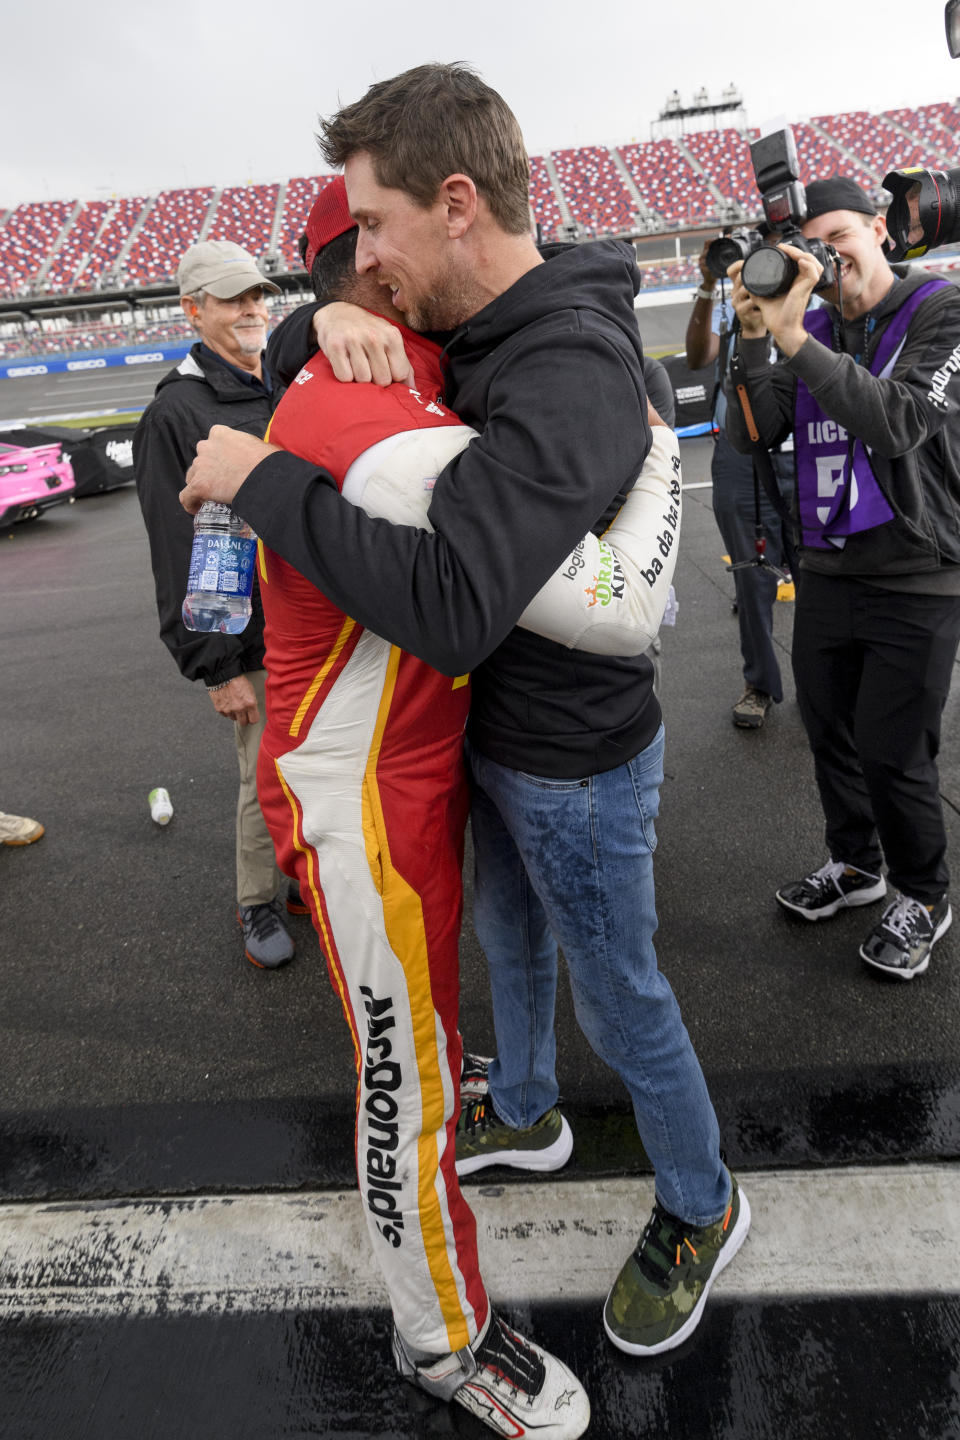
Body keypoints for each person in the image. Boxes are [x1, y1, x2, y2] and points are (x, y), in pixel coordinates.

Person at [181, 62, 749, 1391]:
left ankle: (705, 1199)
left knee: (623, 991)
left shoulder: (564, 367)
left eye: (372, 228)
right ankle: (536, 1112)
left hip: (577, 759)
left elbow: (449, 604)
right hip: (494, 742)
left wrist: (268, 483)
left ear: (451, 204)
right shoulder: (472, 314)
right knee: (507, 942)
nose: (361, 254)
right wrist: (317, 318)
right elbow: (307, 349)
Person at [255, 175, 686, 1439]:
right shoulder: (377, 418)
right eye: (385, 238)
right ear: (372, 265)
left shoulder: (406, 365)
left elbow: (537, 288)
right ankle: (442, 1342)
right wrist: (660, 458)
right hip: (362, 806)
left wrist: (311, 324)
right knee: (409, 1084)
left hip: (413, 778)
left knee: (435, 1063)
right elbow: (614, 606)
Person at [725, 176, 960, 979]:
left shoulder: (940, 310)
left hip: (916, 572)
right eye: (811, 246)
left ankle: (924, 895)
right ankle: (857, 866)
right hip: (826, 568)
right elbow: (751, 429)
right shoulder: (812, 325)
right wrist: (755, 333)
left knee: (895, 750)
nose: (829, 257)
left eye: (841, 236)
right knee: (831, 733)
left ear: (880, 233)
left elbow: (896, 421)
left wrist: (794, 339)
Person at [134, 239, 298, 971]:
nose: (252, 309)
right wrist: (216, 664)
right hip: (251, 634)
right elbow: (181, 548)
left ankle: (296, 878)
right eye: (234, 299)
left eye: (258, 295)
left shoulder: (284, 380)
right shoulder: (176, 412)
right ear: (193, 310)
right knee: (261, 772)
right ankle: (258, 899)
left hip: (316, 616)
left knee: (315, 764)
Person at [686, 234, 795, 728]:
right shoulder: (738, 305)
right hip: (737, 452)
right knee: (750, 578)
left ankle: (828, 686)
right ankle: (759, 684)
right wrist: (709, 285)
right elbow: (696, 359)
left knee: (825, 575)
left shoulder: (810, 300)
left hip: (802, 448)